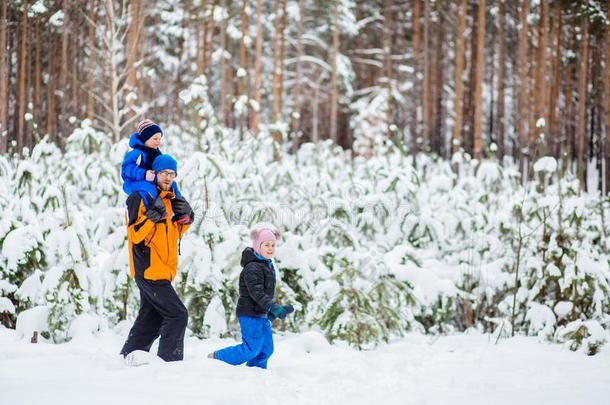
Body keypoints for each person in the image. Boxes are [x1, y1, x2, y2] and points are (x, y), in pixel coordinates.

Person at [120, 154, 194, 365]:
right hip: (149, 269)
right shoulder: (140, 197)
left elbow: (172, 234)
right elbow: (135, 235)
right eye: (164, 173)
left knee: (151, 318)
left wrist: (187, 219)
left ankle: (127, 357)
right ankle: (168, 364)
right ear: (155, 173)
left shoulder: (171, 199)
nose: (168, 178)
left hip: (163, 270)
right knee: (178, 315)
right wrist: (152, 216)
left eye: (172, 174)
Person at [208, 227, 294, 369]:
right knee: (251, 348)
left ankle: (256, 371)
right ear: (257, 246)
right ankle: (218, 357)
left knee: (266, 349)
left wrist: (273, 311)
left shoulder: (267, 265)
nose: (271, 248)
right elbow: (257, 293)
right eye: (266, 245)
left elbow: (265, 295)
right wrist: (273, 307)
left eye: (273, 245)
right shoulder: (252, 267)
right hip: (249, 313)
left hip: (261, 313)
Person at [121, 119, 181, 206]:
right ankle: (154, 211)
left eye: (159, 139)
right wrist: (144, 174)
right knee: (148, 187)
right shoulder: (135, 153)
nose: (158, 141)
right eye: (155, 139)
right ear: (145, 138)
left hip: (152, 180)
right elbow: (127, 169)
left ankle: (181, 209)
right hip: (133, 183)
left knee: (171, 184)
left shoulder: (156, 153)